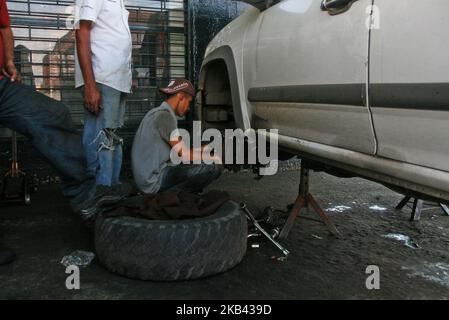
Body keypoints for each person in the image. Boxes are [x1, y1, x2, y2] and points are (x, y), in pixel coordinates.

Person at [0, 0, 124, 265]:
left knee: (55, 114)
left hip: (2, 84)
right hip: (102, 76)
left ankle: (86, 201)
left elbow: (5, 27)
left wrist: (10, 61)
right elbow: (83, 32)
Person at [75, 0, 132, 188]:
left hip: (116, 79)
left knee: (111, 137)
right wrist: (90, 86)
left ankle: (111, 192)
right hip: (102, 78)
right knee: (101, 139)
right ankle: (97, 196)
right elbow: (82, 33)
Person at [132, 79, 222, 195]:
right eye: (188, 102)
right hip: (153, 182)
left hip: (147, 179)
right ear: (180, 96)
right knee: (212, 167)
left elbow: (178, 151)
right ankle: (172, 195)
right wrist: (212, 156)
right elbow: (183, 154)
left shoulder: (157, 113)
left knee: (198, 161)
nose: (188, 108)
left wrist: (202, 150)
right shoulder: (164, 117)